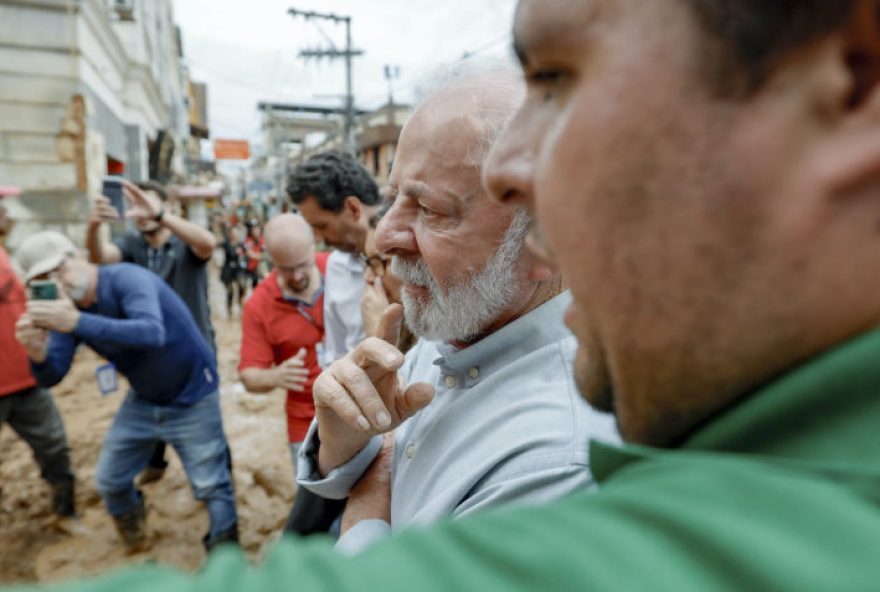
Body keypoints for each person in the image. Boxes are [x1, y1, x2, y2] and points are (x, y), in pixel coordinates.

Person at [14, 1, 880, 590]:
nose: (518, 167)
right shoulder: (449, 318)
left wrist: (364, 520)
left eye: (558, 79)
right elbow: (383, 450)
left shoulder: (573, 460)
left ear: (848, 82)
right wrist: (348, 455)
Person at [296, 67, 618, 554]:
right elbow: (368, 461)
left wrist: (367, 500)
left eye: (429, 210)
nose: (383, 236)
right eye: (393, 197)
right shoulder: (464, 314)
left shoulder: (556, 464)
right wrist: (345, 441)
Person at [15, 231, 238, 552]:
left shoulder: (127, 279)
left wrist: (76, 321)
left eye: (58, 270)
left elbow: (150, 332)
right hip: (145, 398)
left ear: (80, 256)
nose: (57, 282)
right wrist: (37, 353)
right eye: (42, 280)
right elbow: (52, 376)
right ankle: (136, 536)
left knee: (211, 485)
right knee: (109, 479)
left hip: (193, 393)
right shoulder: (70, 313)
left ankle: (225, 554)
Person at [86, 180, 218, 485]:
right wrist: (93, 226)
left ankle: (215, 483)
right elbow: (98, 258)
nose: (141, 213)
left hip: (193, 353)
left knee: (203, 421)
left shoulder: (185, 244)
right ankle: (156, 463)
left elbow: (208, 243)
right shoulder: (133, 247)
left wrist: (160, 215)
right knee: (152, 403)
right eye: (136, 207)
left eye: (147, 205)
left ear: (166, 208)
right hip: (150, 351)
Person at [236, 213, 345, 535]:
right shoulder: (259, 305)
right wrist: (276, 376)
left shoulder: (342, 269)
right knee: (319, 516)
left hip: (362, 411)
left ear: (315, 247)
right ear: (269, 260)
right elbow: (248, 374)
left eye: (303, 264)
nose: (297, 275)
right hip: (306, 426)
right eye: (286, 268)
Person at [0, 233, 76, 521]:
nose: (5, 211)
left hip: (27, 378)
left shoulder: (14, 256)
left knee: (55, 447)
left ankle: (65, 513)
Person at [286, 151, 383, 364]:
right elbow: (336, 355)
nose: (318, 238)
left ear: (353, 208)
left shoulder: (412, 257)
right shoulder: (337, 266)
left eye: (322, 226)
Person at [220, 225, 247, 319]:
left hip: (238, 269)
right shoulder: (226, 243)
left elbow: (246, 253)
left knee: (242, 285)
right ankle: (229, 309)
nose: (234, 235)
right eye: (233, 233)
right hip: (228, 270)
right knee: (230, 290)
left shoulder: (241, 244)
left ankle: (240, 302)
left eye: (236, 233)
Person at [243, 221, 265, 290]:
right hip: (249, 269)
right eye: (253, 229)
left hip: (260, 269)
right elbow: (250, 254)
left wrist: (262, 256)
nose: (256, 231)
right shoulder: (248, 240)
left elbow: (266, 253)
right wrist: (261, 256)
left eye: (257, 228)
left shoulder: (262, 239)